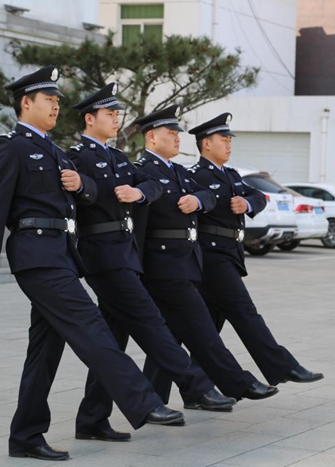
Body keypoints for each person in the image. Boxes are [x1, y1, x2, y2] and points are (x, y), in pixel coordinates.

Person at [0, 67, 183, 462]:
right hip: (36, 255)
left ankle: (25, 435)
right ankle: (142, 400)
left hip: (61, 254)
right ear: (25, 103)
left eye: (57, 100)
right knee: (91, 326)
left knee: (44, 351)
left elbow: (83, 193)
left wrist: (80, 185)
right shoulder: (10, 146)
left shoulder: (54, 149)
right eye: (48, 100)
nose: (55, 105)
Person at [68, 84, 236, 442]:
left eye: (117, 114)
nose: (116, 119)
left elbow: (153, 184)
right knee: (150, 320)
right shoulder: (76, 157)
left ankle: (92, 418)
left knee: (113, 338)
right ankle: (194, 386)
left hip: (123, 254)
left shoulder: (118, 158)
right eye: (109, 114)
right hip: (101, 255)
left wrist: (140, 192)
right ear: (89, 119)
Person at [131, 104, 279, 403]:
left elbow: (209, 194)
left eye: (177, 133)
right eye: (170, 134)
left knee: (170, 336)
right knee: (201, 330)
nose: (176, 139)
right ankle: (233, 384)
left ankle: (157, 400)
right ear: (151, 138)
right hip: (160, 264)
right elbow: (139, 223)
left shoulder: (177, 171)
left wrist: (198, 200)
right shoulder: (141, 170)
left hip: (185, 262)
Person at [187, 112, 324, 386]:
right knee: (245, 312)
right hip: (211, 257)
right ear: (206, 144)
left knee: (204, 331)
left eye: (230, 139)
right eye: (223, 139)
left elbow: (258, 196)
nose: (229, 144)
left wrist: (247, 205)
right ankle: (282, 366)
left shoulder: (232, 174)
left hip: (230, 253)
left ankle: (197, 389)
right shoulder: (196, 175)